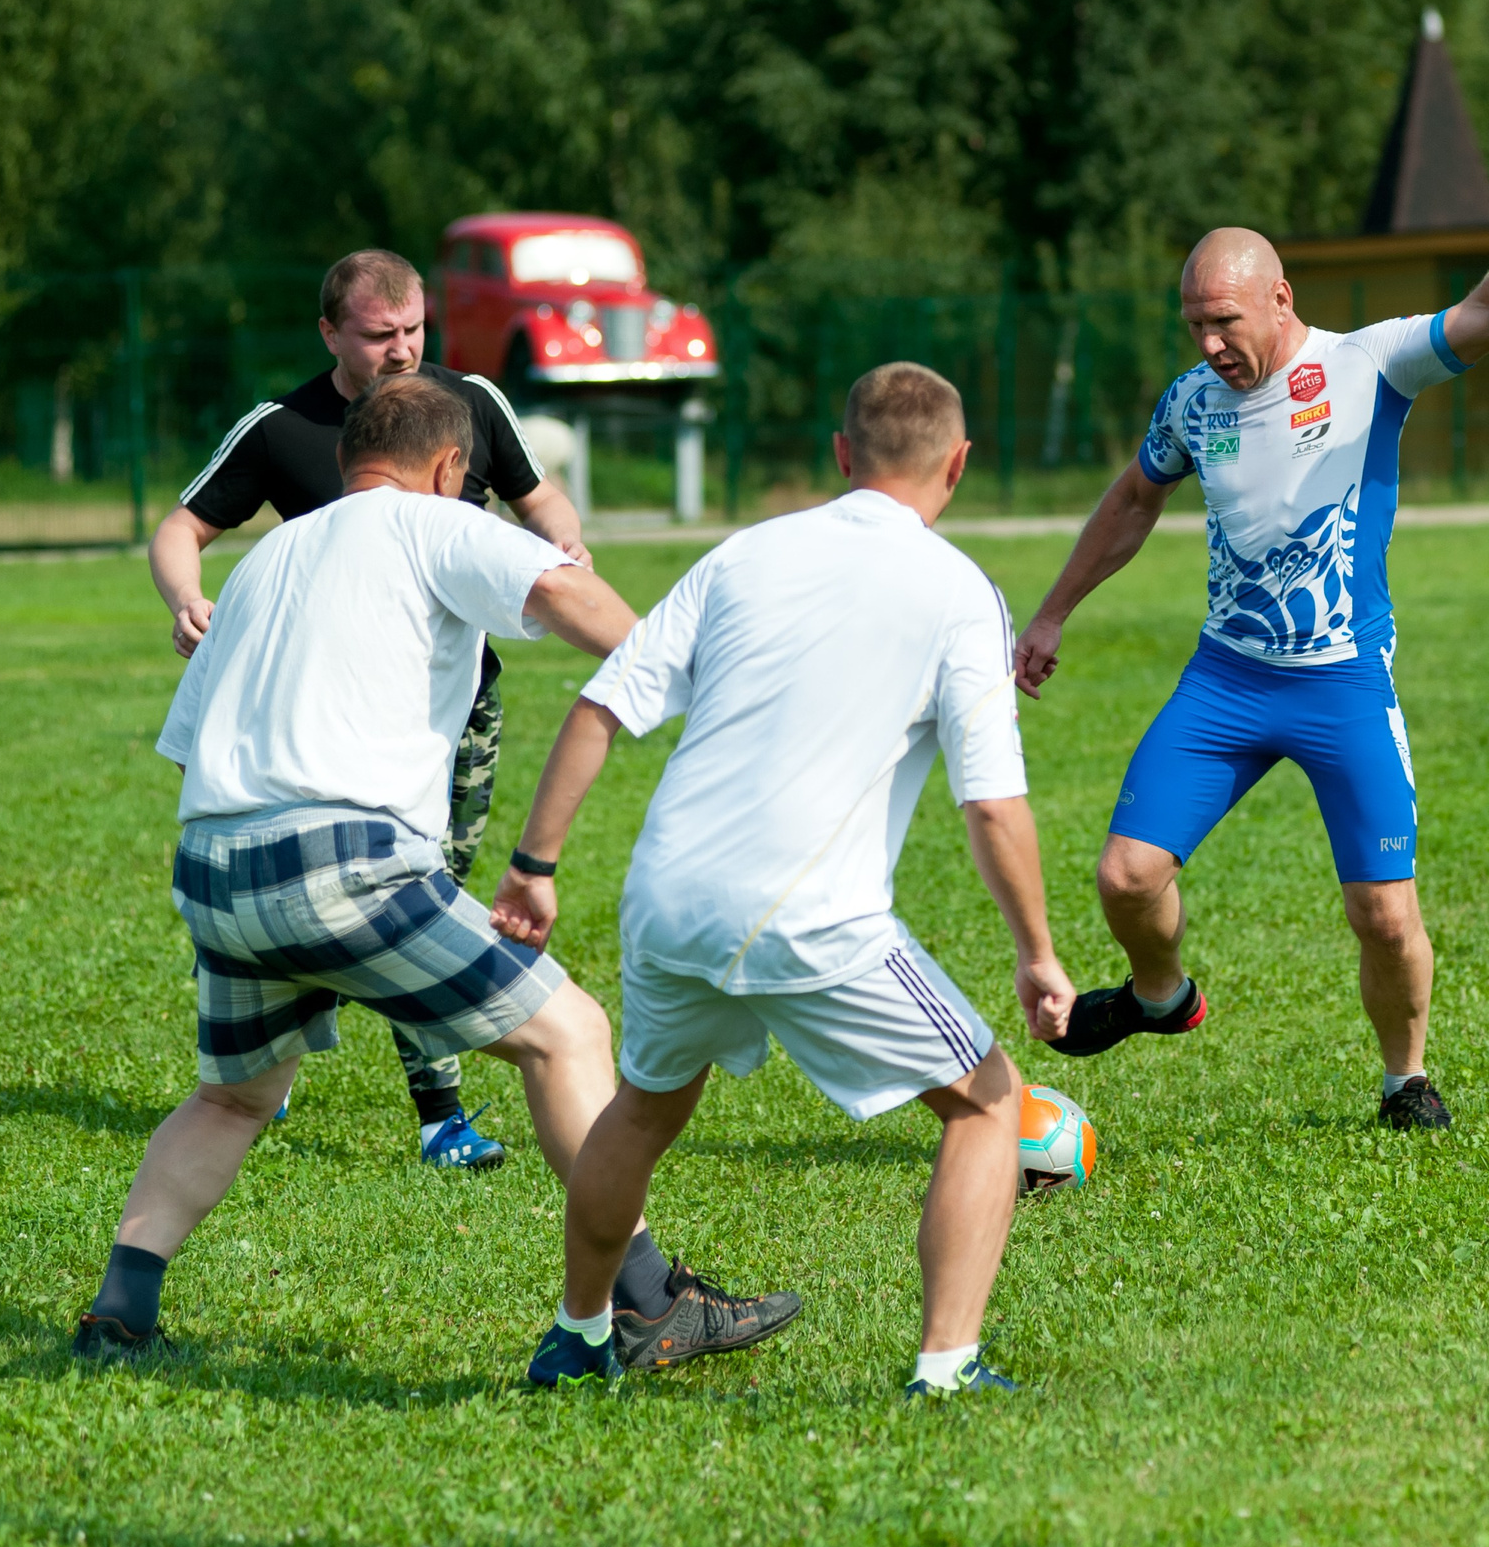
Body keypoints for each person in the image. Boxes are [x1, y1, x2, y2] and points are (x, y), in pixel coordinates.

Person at [77, 374, 795, 1370]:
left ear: (345, 459)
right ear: (453, 467)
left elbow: (189, 737)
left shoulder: (268, 556)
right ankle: (641, 1299)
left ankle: (119, 1311)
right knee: (570, 1034)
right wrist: (707, 690)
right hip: (339, 863)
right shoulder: (435, 521)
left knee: (233, 1100)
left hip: (214, 864)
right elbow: (566, 591)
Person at [487, 362, 1077, 1396]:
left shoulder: (745, 554)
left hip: (665, 898)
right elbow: (990, 804)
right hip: (806, 915)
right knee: (989, 1105)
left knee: (642, 1110)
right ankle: (947, 1368)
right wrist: (1036, 952)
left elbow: (598, 709)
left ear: (842, 457)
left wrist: (533, 866)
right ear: (959, 465)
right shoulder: (957, 590)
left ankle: (579, 1336)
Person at [1009, 190, 1489, 1131]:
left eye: (1225, 321)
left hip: (1342, 683)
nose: (1209, 343)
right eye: (1195, 324)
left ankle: (1403, 1081)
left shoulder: (1366, 365)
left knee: (1384, 915)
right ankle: (1162, 997)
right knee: (1126, 877)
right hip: (1227, 680)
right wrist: (1050, 614)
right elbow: (1133, 501)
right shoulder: (1192, 402)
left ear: (1280, 298)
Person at [150, 248, 584, 1171]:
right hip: (321, 708)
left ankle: (439, 1115)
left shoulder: (463, 403)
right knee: (347, 885)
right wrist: (186, 596)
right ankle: (257, 1073)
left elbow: (542, 503)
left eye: (414, 330)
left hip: (449, 709)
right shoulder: (282, 428)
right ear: (329, 334)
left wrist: (564, 550)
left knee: (432, 894)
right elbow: (181, 527)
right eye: (379, 335)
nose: (400, 352)